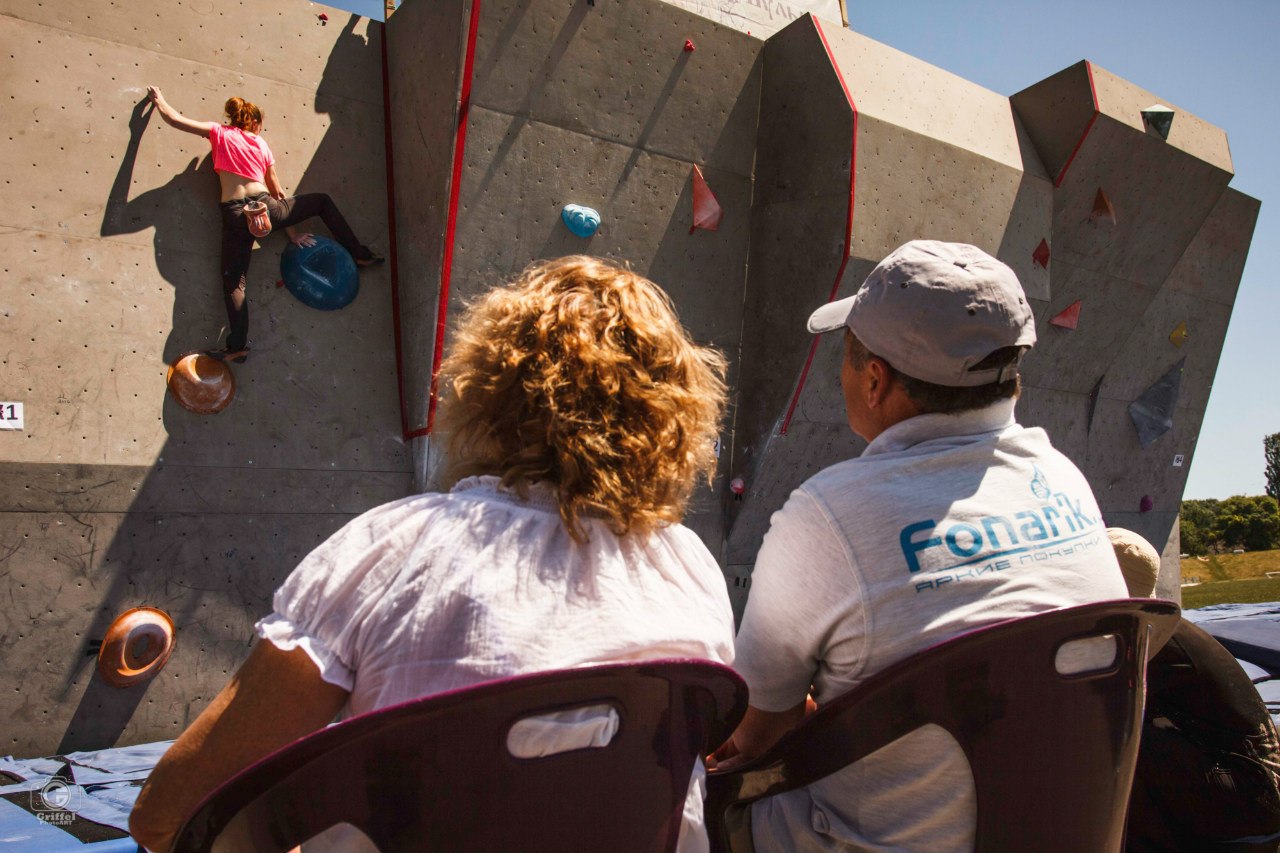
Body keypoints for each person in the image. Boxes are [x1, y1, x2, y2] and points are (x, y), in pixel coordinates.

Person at [129, 256, 736, 852]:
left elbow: (167, 816)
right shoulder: (686, 568)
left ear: (487, 391)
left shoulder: (392, 549)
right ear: (670, 422)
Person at [711, 240, 1129, 852]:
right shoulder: (1065, 478)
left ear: (875, 381)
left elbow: (755, 736)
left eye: (849, 360)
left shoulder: (827, 517)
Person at [145, 87, 383, 362]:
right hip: (267, 209)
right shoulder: (261, 144)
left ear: (233, 119)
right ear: (255, 122)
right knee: (322, 202)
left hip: (235, 213)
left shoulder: (219, 133)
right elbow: (279, 192)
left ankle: (238, 346)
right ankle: (360, 254)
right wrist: (291, 232)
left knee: (235, 283)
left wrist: (158, 100)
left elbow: (174, 119)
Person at [1109, 528, 1280, 853]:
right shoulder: (1166, 633)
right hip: (1248, 795)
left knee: (1117, 741)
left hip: (1247, 804)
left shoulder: (1155, 645)